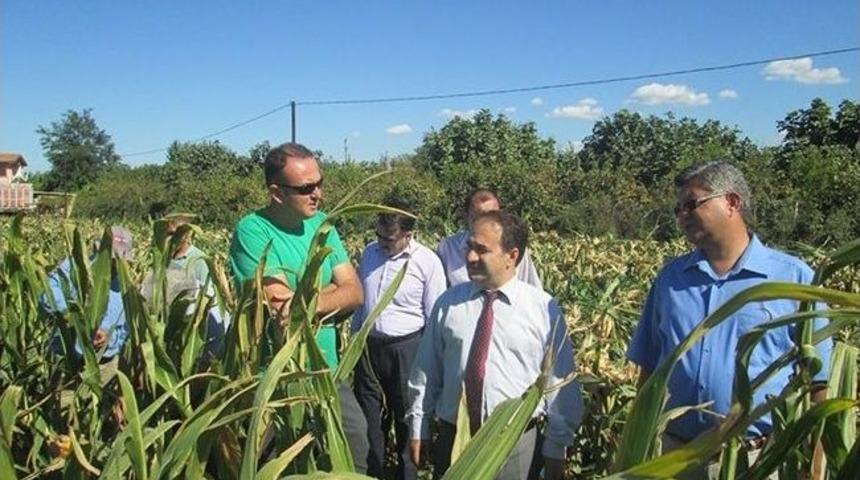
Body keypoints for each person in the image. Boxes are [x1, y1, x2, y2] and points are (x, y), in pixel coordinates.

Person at [626, 160, 833, 479]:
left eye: (691, 205)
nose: (682, 216)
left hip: (759, 458)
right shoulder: (671, 279)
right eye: (678, 209)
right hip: (676, 456)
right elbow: (649, 369)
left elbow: (818, 380)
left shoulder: (793, 278)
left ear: (732, 202)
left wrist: (814, 464)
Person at [406, 210, 583, 480]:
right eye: (469, 247)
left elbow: (560, 384)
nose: (470, 257)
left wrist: (557, 447)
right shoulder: (449, 303)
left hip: (514, 442)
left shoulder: (542, 309)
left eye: (481, 250)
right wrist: (419, 426)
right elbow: (426, 371)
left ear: (512, 256)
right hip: (455, 439)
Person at [228, 142, 368, 472]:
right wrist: (331, 291)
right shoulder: (252, 231)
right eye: (306, 188)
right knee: (277, 467)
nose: (317, 194)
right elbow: (283, 311)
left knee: (355, 452)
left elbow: (356, 293)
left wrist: (309, 298)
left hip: (326, 371)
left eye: (319, 183)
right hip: (277, 380)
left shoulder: (324, 225)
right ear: (276, 192)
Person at [352, 199, 446, 480]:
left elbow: (435, 317)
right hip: (369, 348)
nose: (382, 242)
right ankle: (373, 474)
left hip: (408, 349)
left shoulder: (427, 262)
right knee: (368, 421)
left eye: (389, 239)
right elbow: (361, 303)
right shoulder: (369, 254)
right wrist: (355, 341)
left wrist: (431, 363)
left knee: (408, 419)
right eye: (379, 235)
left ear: (408, 235)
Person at [42, 225, 133, 371]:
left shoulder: (126, 288)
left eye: (119, 259)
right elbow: (48, 294)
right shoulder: (75, 267)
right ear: (97, 250)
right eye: (108, 257)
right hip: (64, 358)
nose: (113, 263)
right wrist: (74, 317)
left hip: (101, 365)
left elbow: (126, 331)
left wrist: (107, 339)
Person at [437, 188, 542, 288]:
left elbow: (532, 289)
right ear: (467, 216)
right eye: (480, 217)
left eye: (494, 215)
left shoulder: (513, 246)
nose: (488, 222)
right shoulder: (448, 249)